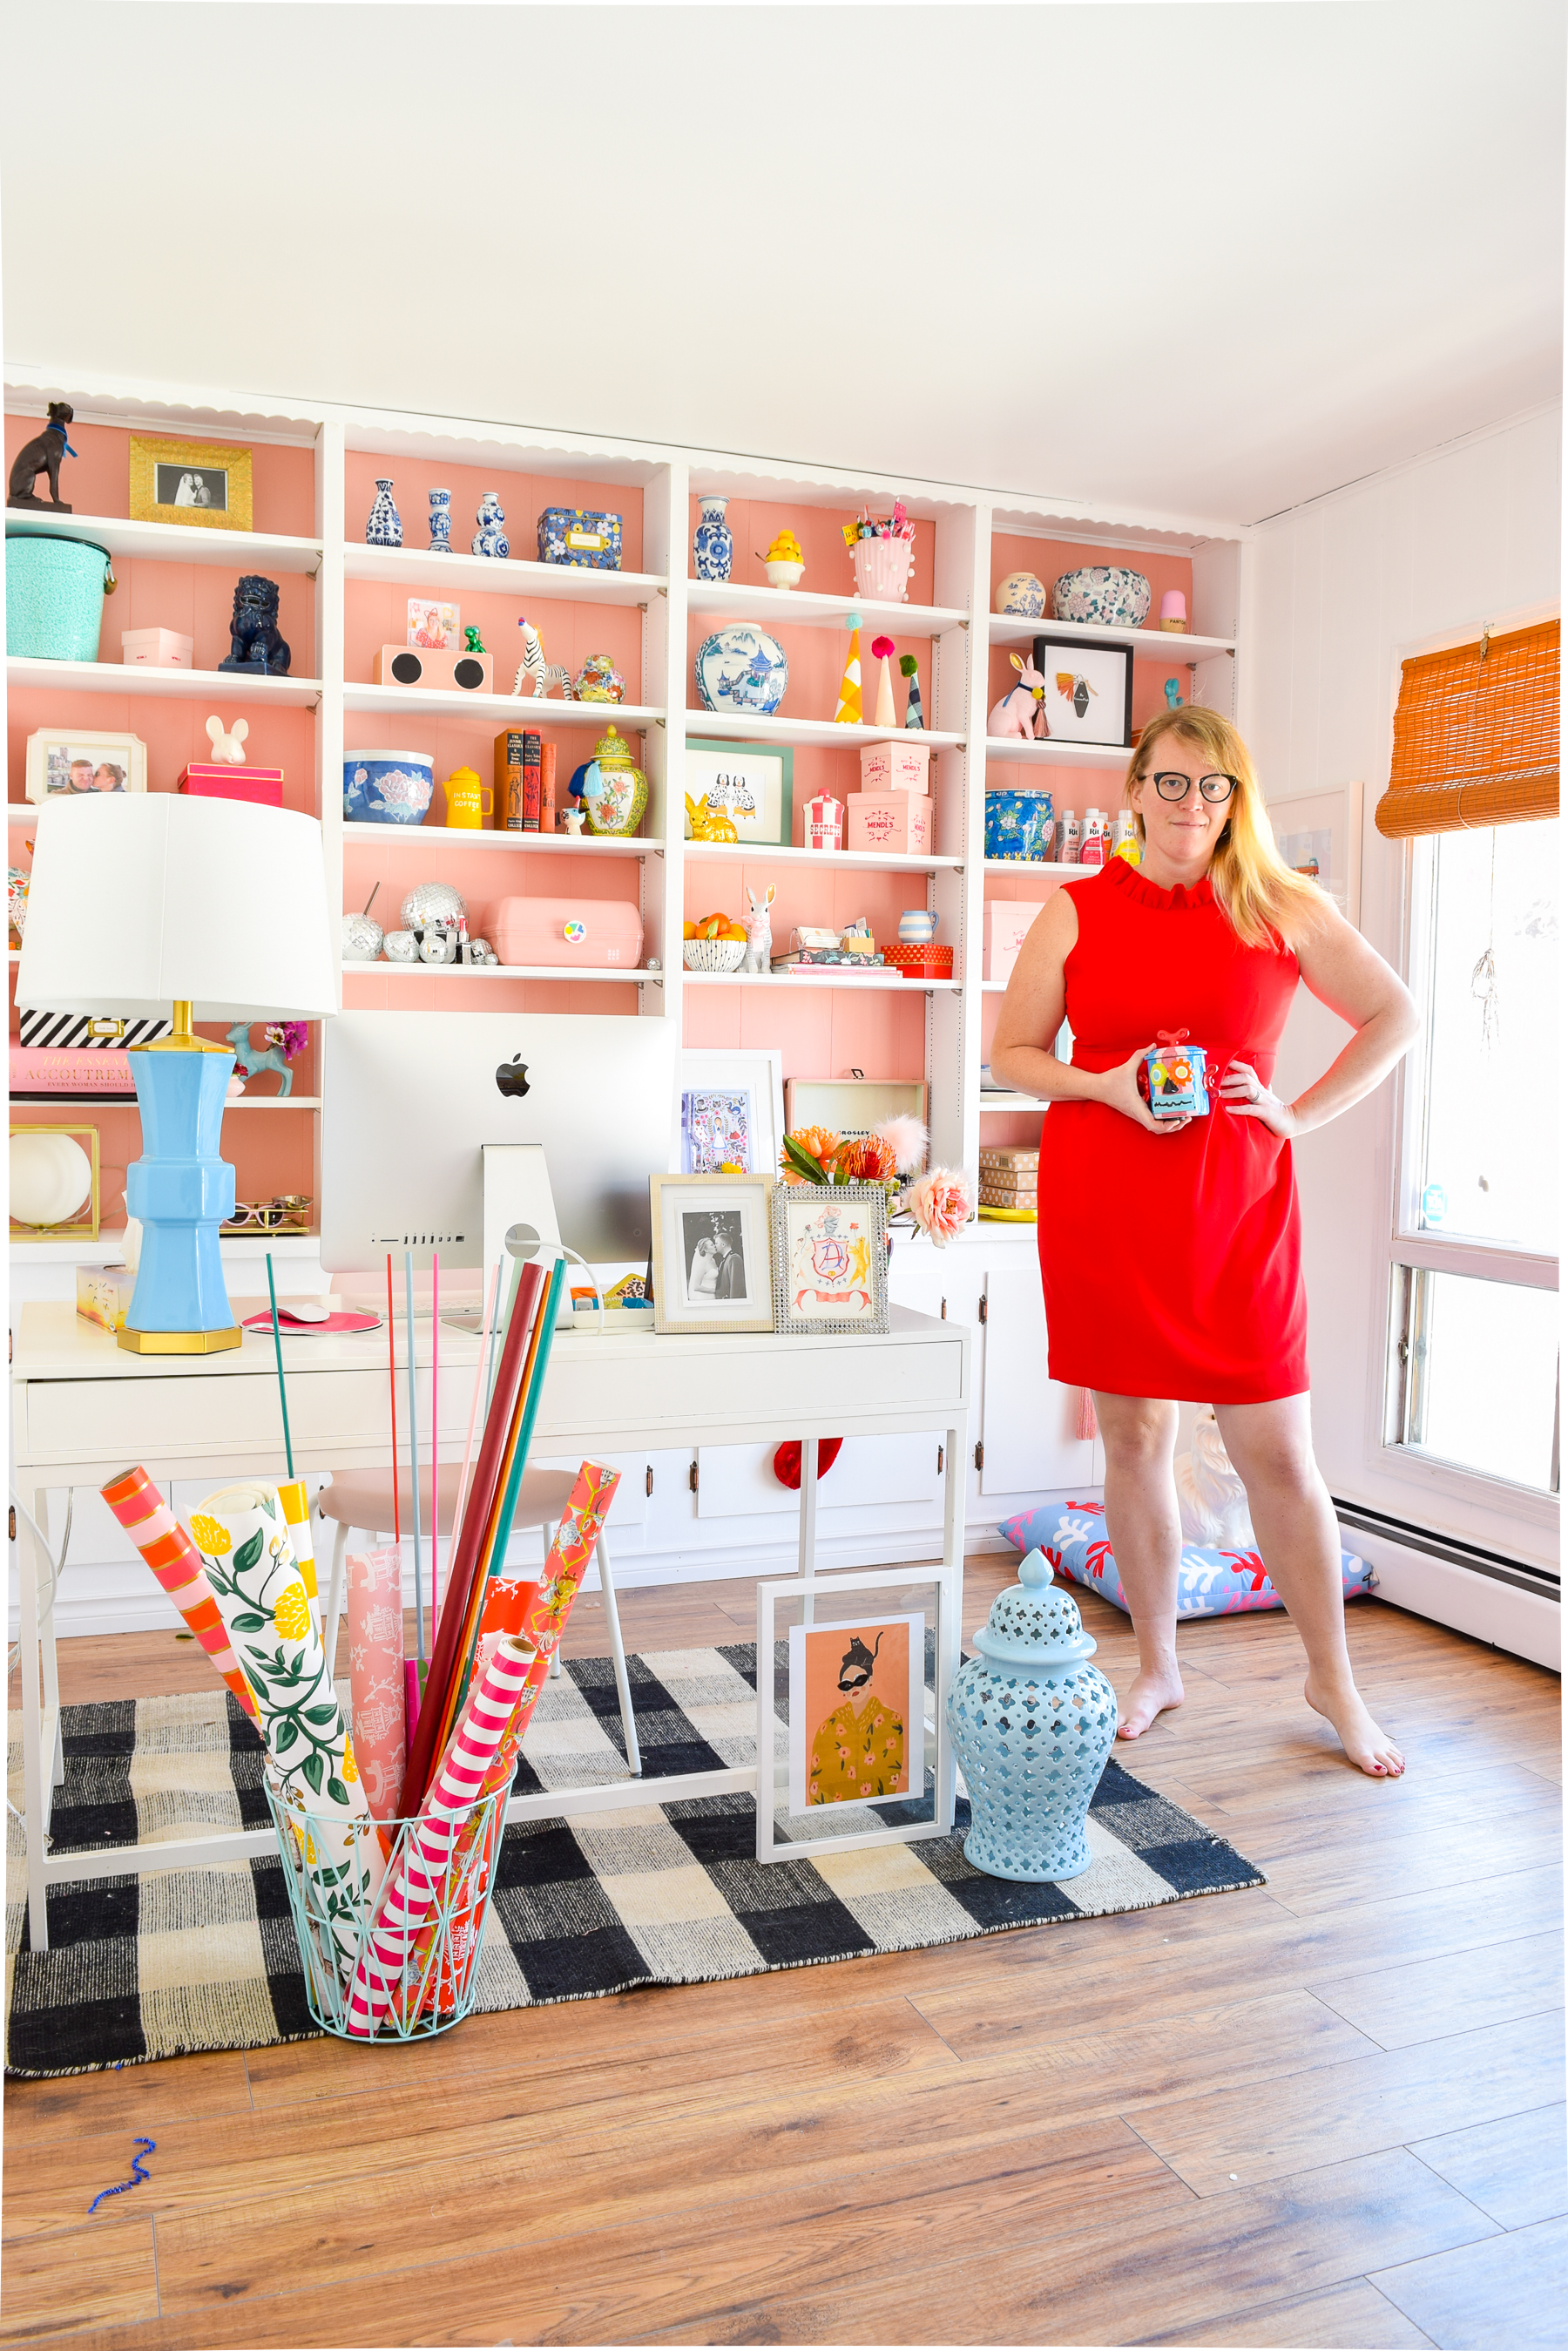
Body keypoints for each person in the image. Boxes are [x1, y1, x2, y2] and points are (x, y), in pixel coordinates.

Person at [990, 706, 1419, 1779]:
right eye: (1173, 784)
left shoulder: (1283, 905)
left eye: (1214, 788)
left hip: (1239, 1212)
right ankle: (1158, 1663)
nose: (1193, 807)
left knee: (1280, 1452)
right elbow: (1012, 1054)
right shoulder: (1077, 909)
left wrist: (1296, 1113)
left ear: (1238, 800)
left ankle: (1334, 1680)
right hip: (1110, 1200)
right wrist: (1104, 1084)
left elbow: (1394, 1014)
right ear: (1135, 792)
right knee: (1132, 1444)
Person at [713, 1223, 746, 1300]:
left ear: (723, 1244)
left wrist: (732, 1303)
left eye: (716, 1243)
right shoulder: (725, 1260)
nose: (715, 1246)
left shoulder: (734, 1259)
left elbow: (736, 1286)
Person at [687, 1235, 719, 1299]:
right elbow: (696, 1287)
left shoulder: (713, 1260)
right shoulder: (702, 1263)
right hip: (705, 1297)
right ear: (706, 1250)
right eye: (712, 1245)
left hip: (715, 1296)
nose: (715, 1246)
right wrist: (715, 1291)